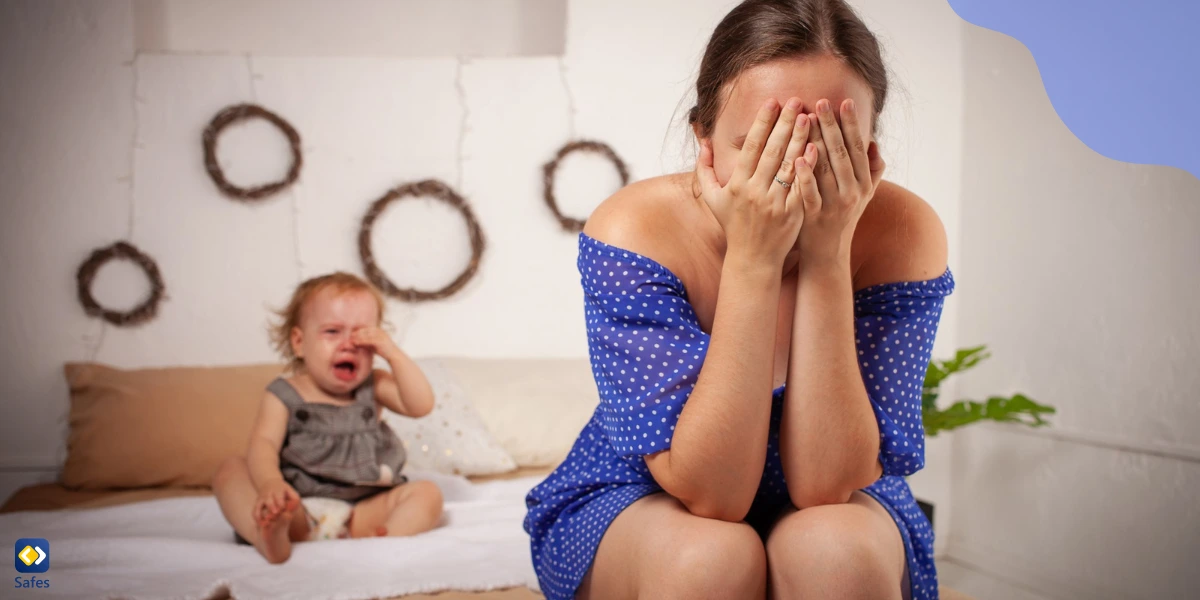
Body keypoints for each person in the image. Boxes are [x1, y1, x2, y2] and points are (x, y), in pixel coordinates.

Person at [524, 1, 953, 598]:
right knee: (710, 560)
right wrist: (755, 261)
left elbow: (828, 485)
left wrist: (829, 256)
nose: (794, 173)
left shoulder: (903, 230)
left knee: (837, 554)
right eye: (762, 146)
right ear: (703, 140)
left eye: (829, 145)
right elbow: (711, 493)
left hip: (843, 494)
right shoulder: (636, 228)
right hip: (649, 493)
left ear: (871, 148)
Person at [213, 272, 444, 563]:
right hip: (296, 509)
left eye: (362, 335)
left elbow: (420, 405)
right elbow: (264, 445)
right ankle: (268, 536)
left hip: (362, 512)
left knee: (427, 492)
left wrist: (393, 354)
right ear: (299, 342)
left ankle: (387, 541)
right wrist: (271, 484)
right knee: (231, 470)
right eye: (332, 332)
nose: (348, 344)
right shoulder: (284, 393)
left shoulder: (374, 386)